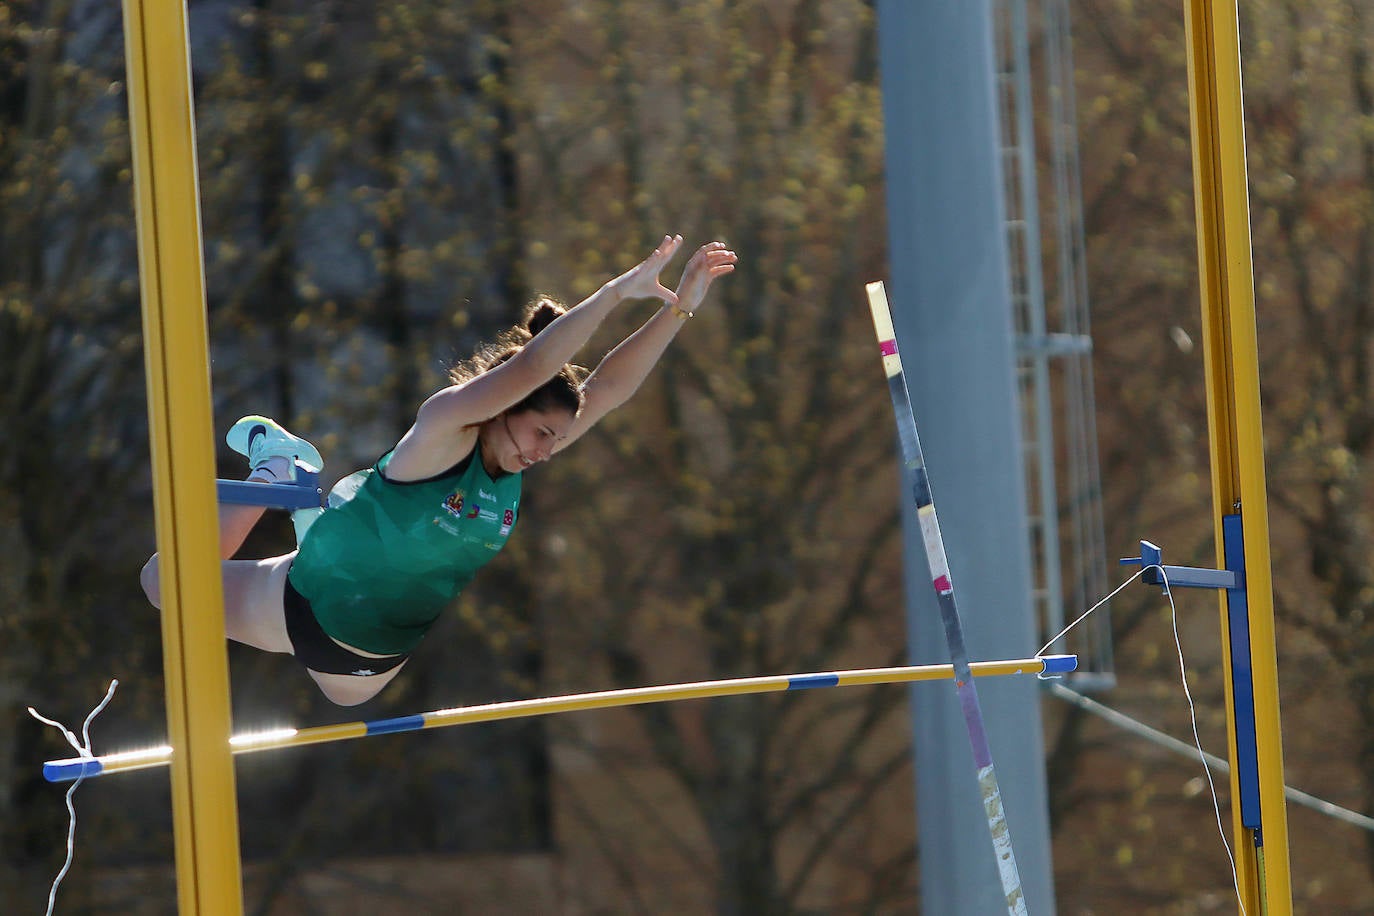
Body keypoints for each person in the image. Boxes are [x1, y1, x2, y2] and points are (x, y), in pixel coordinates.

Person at [141, 235, 737, 706]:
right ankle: (276, 475)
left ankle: (303, 505)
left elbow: (606, 389)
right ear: (504, 408)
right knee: (164, 581)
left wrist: (681, 309)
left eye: (557, 438)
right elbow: (533, 366)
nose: (548, 451)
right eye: (542, 433)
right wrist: (613, 294)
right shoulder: (442, 430)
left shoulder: (513, 460)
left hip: (367, 665)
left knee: (342, 646)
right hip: (308, 613)